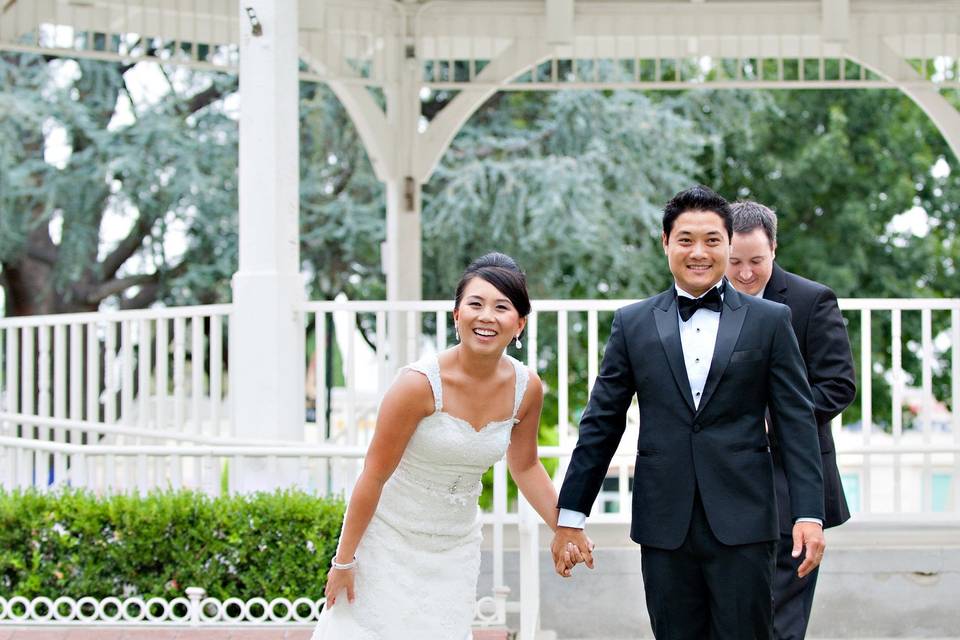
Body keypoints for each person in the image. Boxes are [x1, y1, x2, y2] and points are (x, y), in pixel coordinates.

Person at [552, 185, 826, 639]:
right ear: (665, 243)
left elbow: (796, 422)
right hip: (664, 523)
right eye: (685, 239)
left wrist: (809, 515)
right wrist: (571, 516)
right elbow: (602, 422)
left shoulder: (770, 321)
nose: (699, 252)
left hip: (746, 522)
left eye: (712, 240)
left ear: (728, 244)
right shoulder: (632, 323)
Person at [311, 252, 559, 640]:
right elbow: (374, 475)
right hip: (390, 540)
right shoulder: (417, 384)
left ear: (520, 323)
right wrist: (344, 562)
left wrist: (566, 528)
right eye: (475, 304)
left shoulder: (527, 388)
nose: (486, 316)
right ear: (457, 315)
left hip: (455, 547)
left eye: (502, 307)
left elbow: (526, 467)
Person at [727, 200, 856, 640]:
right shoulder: (706, 306)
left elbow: (838, 386)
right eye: (735, 262)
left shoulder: (811, 300)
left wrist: (767, 419)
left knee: (781, 623)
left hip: (790, 484)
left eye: (756, 262)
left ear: (775, 249)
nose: (745, 274)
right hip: (724, 486)